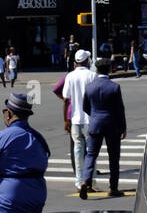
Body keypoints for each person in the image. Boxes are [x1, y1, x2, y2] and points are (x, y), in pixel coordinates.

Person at [80, 58, 127, 199]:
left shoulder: (89, 87)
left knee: (91, 154)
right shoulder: (114, 87)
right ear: (109, 69)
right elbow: (120, 110)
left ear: (97, 69)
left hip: (95, 124)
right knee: (113, 157)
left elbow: (85, 107)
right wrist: (123, 127)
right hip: (112, 125)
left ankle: (85, 180)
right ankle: (113, 187)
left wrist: (94, 116)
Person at [62, 50, 92, 192]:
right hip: (90, 119)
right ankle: (90, 180)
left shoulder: (70, 76)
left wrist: (66, 120)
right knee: (91, 152)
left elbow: (66, 96)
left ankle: (79, 181)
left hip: (75, 119)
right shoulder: (92, 76)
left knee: (78, 151)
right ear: (87, 61)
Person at [52, 71, 75, 177]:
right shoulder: (91, 74)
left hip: (72, 114)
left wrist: (65, 120)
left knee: (75, 144)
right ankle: (89, 169)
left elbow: (56, 90)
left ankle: (77, 169)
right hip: (88, 114)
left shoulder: (68, 76)